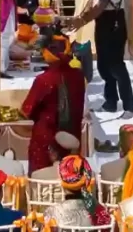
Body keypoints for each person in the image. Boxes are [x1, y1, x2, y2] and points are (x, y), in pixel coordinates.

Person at [20, 32, 87, 163]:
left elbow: (26, 110)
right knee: (70, 176)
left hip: (47, 143)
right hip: (72, 140)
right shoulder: (78, 76)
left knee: (42, 180)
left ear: (47, 53)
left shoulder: (43, 80)